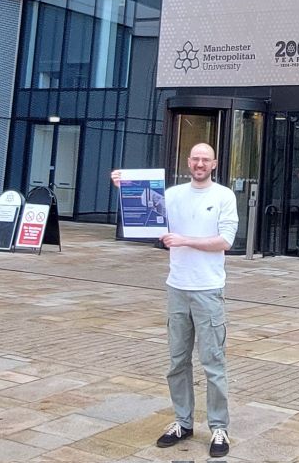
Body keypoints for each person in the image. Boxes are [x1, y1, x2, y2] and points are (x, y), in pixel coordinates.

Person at [111, 143, 238, 458]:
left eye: (205, 159)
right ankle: (183, 422)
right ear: (188, 162)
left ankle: (219, 427)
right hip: (177, 287)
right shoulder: (172, 194)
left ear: (214, 164)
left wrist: (184, 241)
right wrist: (124, 184)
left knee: (213, 363)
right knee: (177, 362)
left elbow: (225, 241)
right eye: (195, 158)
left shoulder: (224, 196)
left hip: (208, 289)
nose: (199, 163)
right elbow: (144, 207)